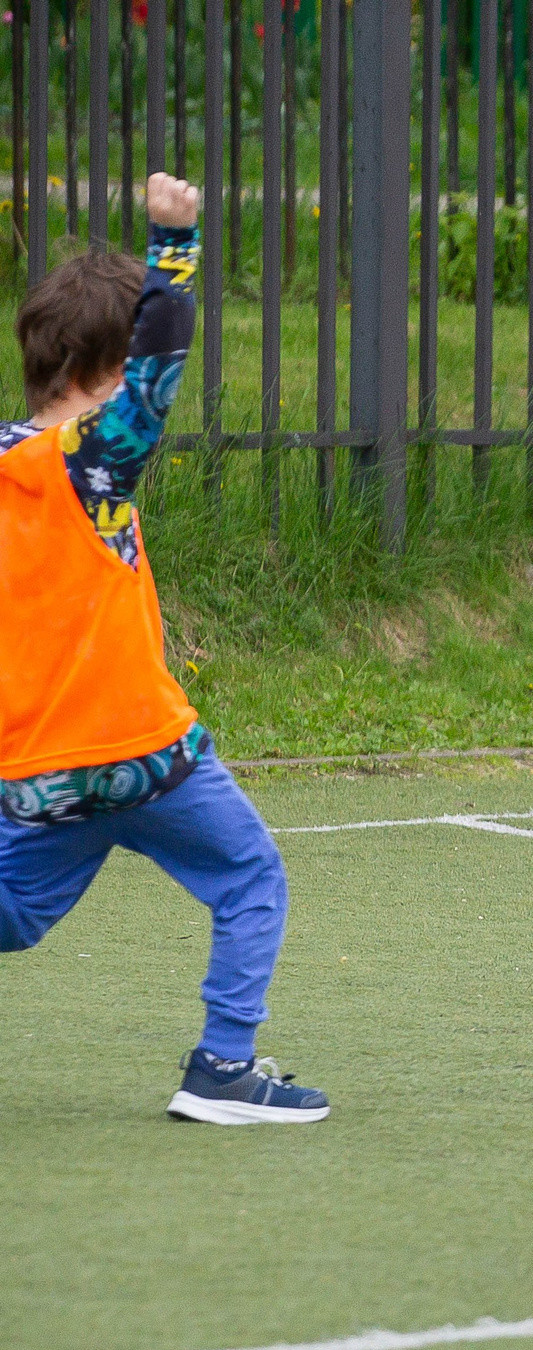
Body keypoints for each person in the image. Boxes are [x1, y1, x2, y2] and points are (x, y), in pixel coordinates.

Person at [0, 174, 329, 1124]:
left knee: (13, 918)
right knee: (249, 876)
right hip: (142, 751)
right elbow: (158, 374)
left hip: (39, 769)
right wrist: (172, 247)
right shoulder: (91, 461)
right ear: (102, 370)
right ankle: (223, 1067)